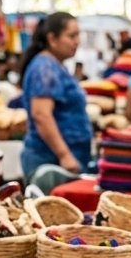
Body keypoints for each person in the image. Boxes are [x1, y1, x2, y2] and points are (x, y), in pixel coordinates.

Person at [20, 12, 92, 178]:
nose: (77, 41)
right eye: (71, 36)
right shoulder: (44, 68)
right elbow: (41, 115)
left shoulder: (55, 65)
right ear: (52, 39)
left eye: (78, 35)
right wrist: (64, 154)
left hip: (63, 157)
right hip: (50, 159)